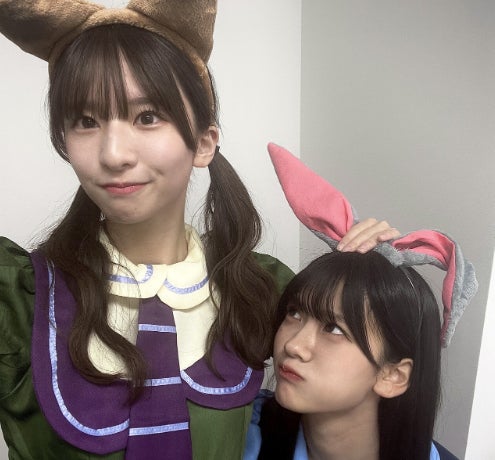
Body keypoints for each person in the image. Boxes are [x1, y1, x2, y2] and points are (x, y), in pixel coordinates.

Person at [0, 1, 398, 459]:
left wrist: (368, 278)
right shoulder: (19, 298)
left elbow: (352, 406)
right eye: (85, 122)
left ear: (204, 142)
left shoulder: (262, 290)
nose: (113, 154)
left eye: (147, 116)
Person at [244, 144, 478, 460]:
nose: (293, 345)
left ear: (392, 375)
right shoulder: (242, 433)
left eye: (334, 329)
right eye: (294, 313)